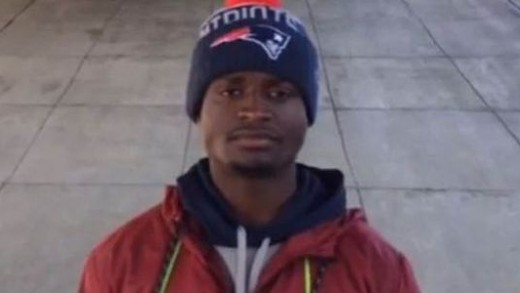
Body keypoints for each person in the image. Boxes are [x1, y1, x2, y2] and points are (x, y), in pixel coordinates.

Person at [79, 0, 422, 292]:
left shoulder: (378, 270)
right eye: (231, 91)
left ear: (307, 113)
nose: (255, 111)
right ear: (198, 109)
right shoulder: (121, 261)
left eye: (279, 93)